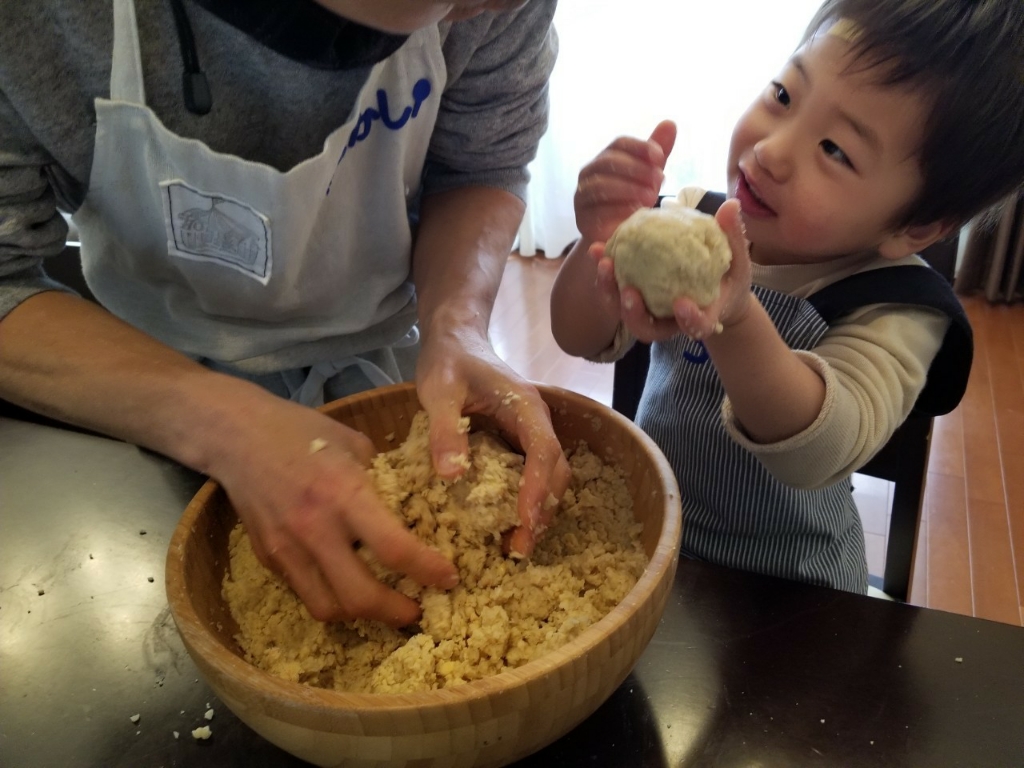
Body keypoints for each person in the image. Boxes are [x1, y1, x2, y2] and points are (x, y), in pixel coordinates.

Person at [0, 0, 572, 627]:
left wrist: (454, 322)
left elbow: (480, 163)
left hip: (384, 363)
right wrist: (220, 422)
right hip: (131, 391)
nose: (497, 7)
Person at [550, 0, 1024, 592]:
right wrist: (598, 238)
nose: (772, 151)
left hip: (789, 589)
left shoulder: (894, 307)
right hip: (647, 534)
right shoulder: (691, 218)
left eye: (835, 151)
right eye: (783, 96)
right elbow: (578, 335)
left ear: (918, 229)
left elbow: (816, 452)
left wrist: (735, 317)